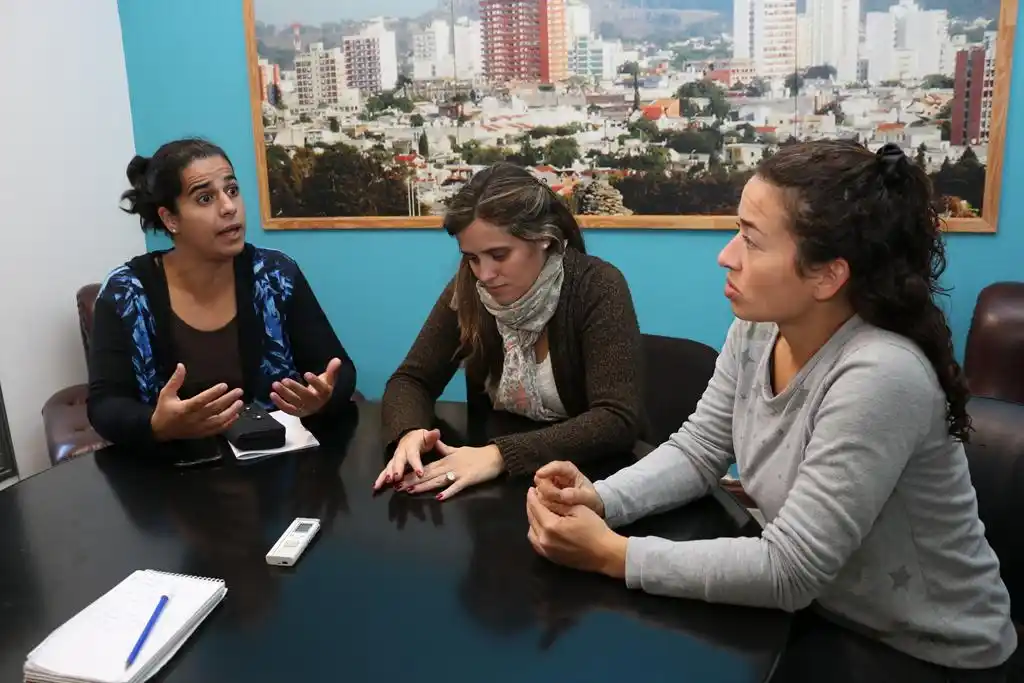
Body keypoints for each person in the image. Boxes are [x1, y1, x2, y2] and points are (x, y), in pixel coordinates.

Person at [527, 140, 1017, 680]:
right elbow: (699, 450)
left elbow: (789, 571)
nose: (727, 255)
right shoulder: (759, 327)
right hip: (827, 614)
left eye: (752, 241)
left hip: (925, 651)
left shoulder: (880, 374)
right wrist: (600, 499)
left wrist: (611, 555)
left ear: (828, 275)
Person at [375, 162, 645, 501]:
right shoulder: (469, 288)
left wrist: (498, 455)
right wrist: (409, 430)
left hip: (588, 483)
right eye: (472, 258)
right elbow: (411, 379)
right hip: (495, 491)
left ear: (544, 239)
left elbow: (616, 419)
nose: (484, 274)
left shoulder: (598, 286)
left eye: (499, 255)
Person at [87, 138, 357, 448]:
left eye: (232, 190)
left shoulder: (275, 274)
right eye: (205, 198)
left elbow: (338, 371)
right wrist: (155, 424)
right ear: (170, 218)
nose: (229, 207)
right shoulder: (126, 293)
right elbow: (104, 405)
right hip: (171, 475)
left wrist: (321, 399)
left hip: (275, 468)